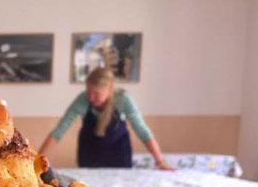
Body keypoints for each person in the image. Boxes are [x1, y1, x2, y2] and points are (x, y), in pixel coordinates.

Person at [39, 67, 172, 169]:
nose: (91, 97)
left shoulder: (124, 99)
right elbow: (58, 132)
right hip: (89, 153)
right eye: (89, 92)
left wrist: (160, 160)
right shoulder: (82, 100)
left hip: (119, 153)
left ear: (110, 89)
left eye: (96, 93)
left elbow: (142, 131)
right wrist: (37, 161)